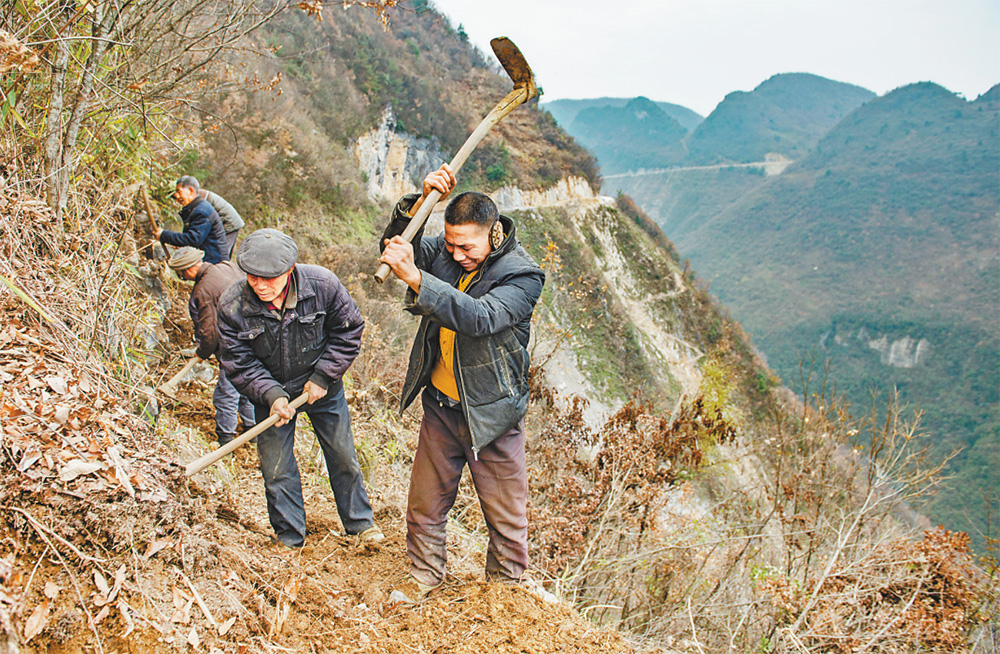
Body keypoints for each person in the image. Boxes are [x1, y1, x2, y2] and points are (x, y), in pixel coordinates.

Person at [379, 164, 545, 597]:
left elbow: (481, 317)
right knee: (425, 504)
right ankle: (422, 577)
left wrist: (416, 279)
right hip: (440, 405)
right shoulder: (447, 254)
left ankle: (504, 594)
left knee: (506, 516)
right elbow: (401, 247)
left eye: (466, 246)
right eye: (450, 244)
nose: (456, 255)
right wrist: (417, 205)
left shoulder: (522, 274)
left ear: (492, 235)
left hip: (490, 414)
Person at [217, 229, 382, 548]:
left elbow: (348, 333)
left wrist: (323, 377)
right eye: (253, 278)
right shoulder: (233, 304)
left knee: (342, 455)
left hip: (322, 387)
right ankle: (290, 537)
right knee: (276, 468)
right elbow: (238, 361)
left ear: (290, 271)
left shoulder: (323, 286)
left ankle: (360, 524)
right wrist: (271, 395)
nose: (261, 286)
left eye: (270, 278)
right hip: (270, 391)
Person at [166, 246, 255, 447]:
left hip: (235, 345)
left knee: (226, 394)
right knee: (249, 386)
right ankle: (253, 432)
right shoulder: (227, 267)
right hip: (255, 336)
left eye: (180, 273)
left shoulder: (202, 291)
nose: (181, 277)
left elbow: (209, 332)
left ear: (188, 270)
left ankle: (225, 442)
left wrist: (202, 352)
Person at [155, 176, 228, 264]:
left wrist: (164, 235)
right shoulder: (195, 208)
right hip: (209, 260)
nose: (176, 196)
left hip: (214, 263)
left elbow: (193, 240)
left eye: (179, 191)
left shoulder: (201, 211)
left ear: (190, 190)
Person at [198, 188, 245, 260]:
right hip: (229, 221)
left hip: (229, 223)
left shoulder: (199, 197)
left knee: (221, 253)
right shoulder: (197, 194)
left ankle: (223, 269)